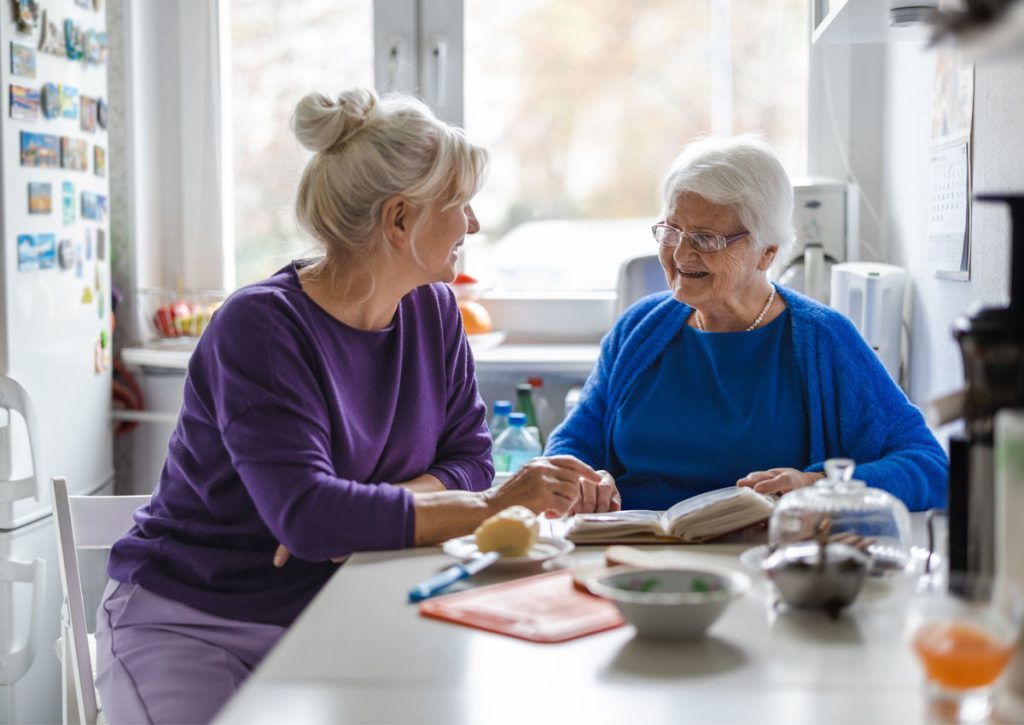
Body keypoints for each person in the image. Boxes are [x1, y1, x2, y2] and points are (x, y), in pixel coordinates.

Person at [95, 88, 601, 725]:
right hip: (196, 621)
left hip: (337, 609)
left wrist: (360, 512)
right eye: (460, 205)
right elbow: (310, 518)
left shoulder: (433, 310)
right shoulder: (260, 326)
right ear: (399, 221)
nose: (472, 226)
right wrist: (491, 507)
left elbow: (469, 455)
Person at [546, 135, 947, 513]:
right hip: (631, 555)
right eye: (672, 231)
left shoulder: (823, 339)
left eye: (705, 238)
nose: (681, 253)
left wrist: (818, 487)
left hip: (761, 565)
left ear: (766, 252)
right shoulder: (640, 327)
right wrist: (584, 479)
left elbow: (930, 467)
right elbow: (572, 443)